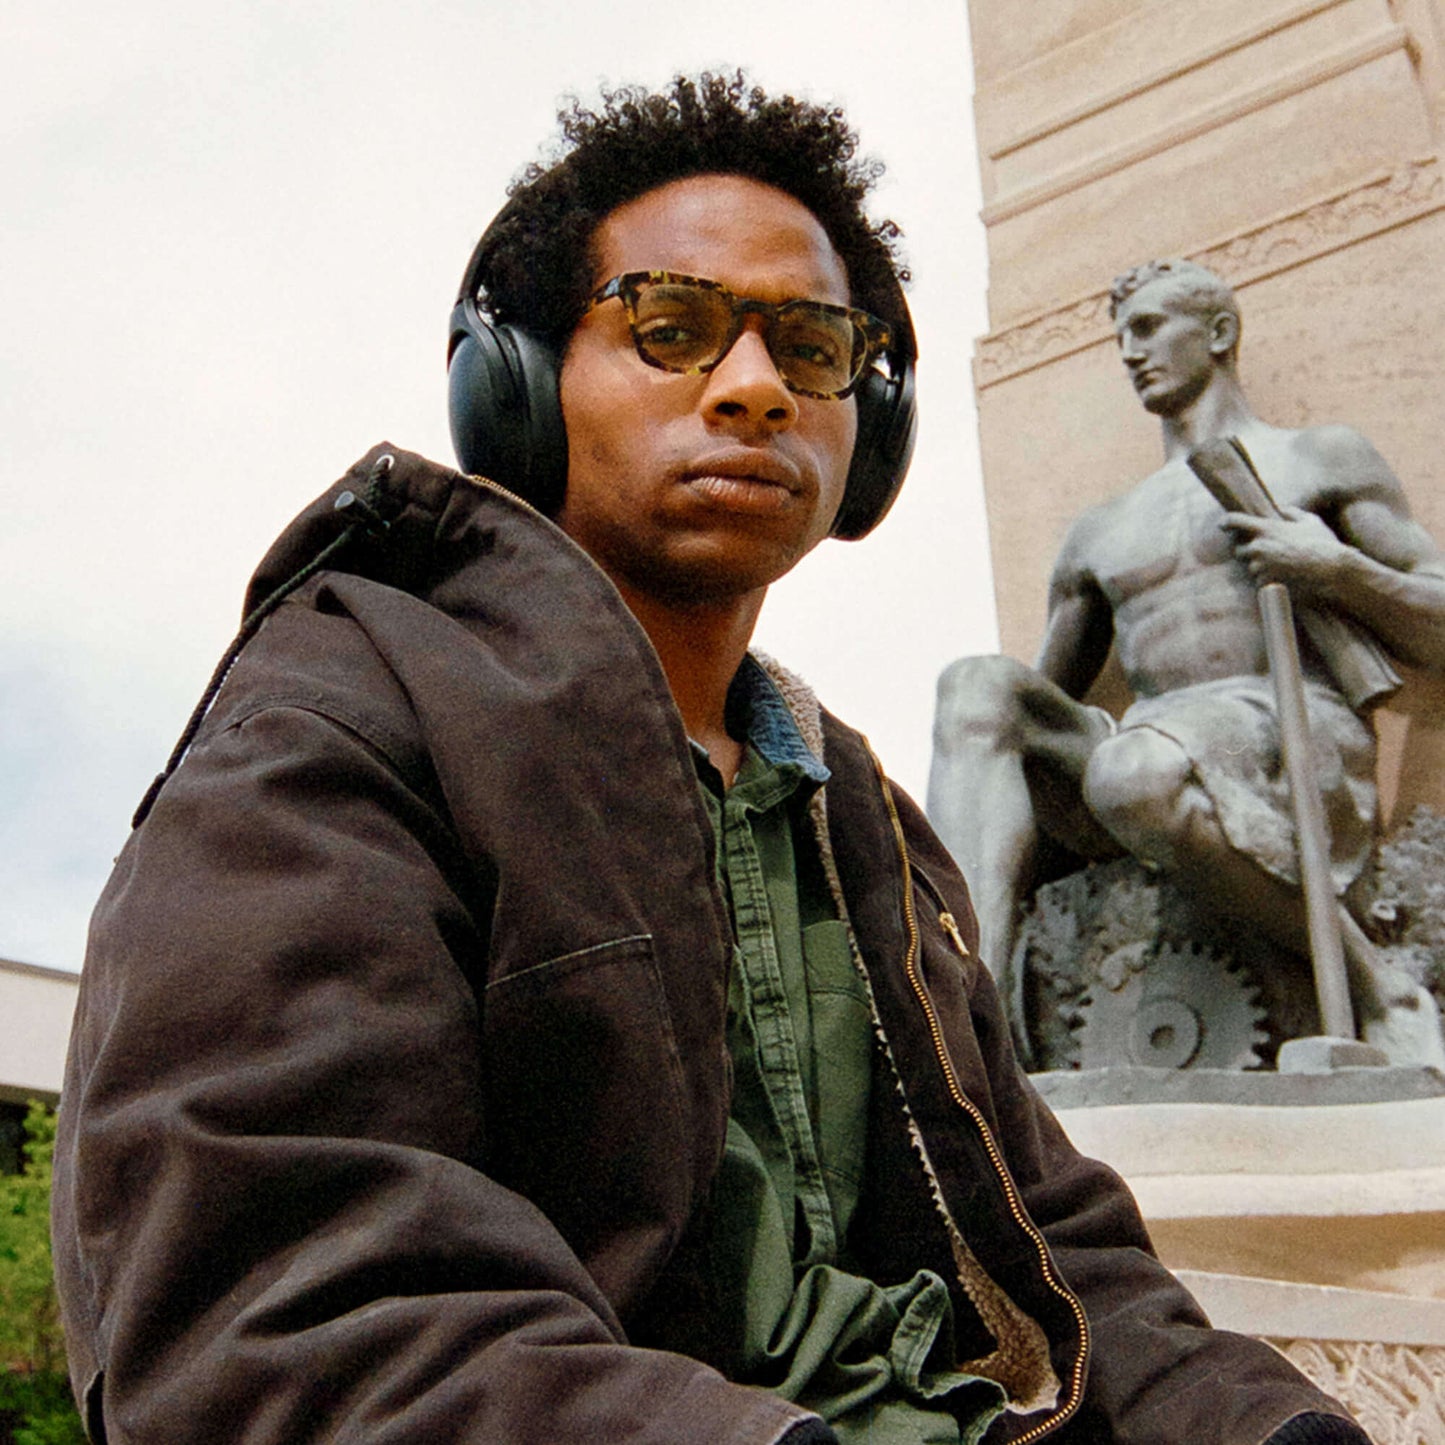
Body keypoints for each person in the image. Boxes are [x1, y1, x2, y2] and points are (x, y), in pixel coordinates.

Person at [53, 80, 1371, 1444]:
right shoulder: (342, 718)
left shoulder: (860, 819)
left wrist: (1259, 1425)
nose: (754, 389)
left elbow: (1050, 1244)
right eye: (671, 328)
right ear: (515, 383)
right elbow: (277, 1306)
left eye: (811, 346)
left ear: (871, 423)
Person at [929, 258, 1445, 1065]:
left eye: (1147, 328)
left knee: (1129, 771)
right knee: (974, 685)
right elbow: (1034, 702)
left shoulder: (1316, 459)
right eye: (1119, 339)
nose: (1129, 353)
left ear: (1218, 332)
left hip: (1281, 726)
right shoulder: (1099, 529)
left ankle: (1377, 985)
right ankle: (976, 1030)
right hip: (1148, 737)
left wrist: (1336, 569)